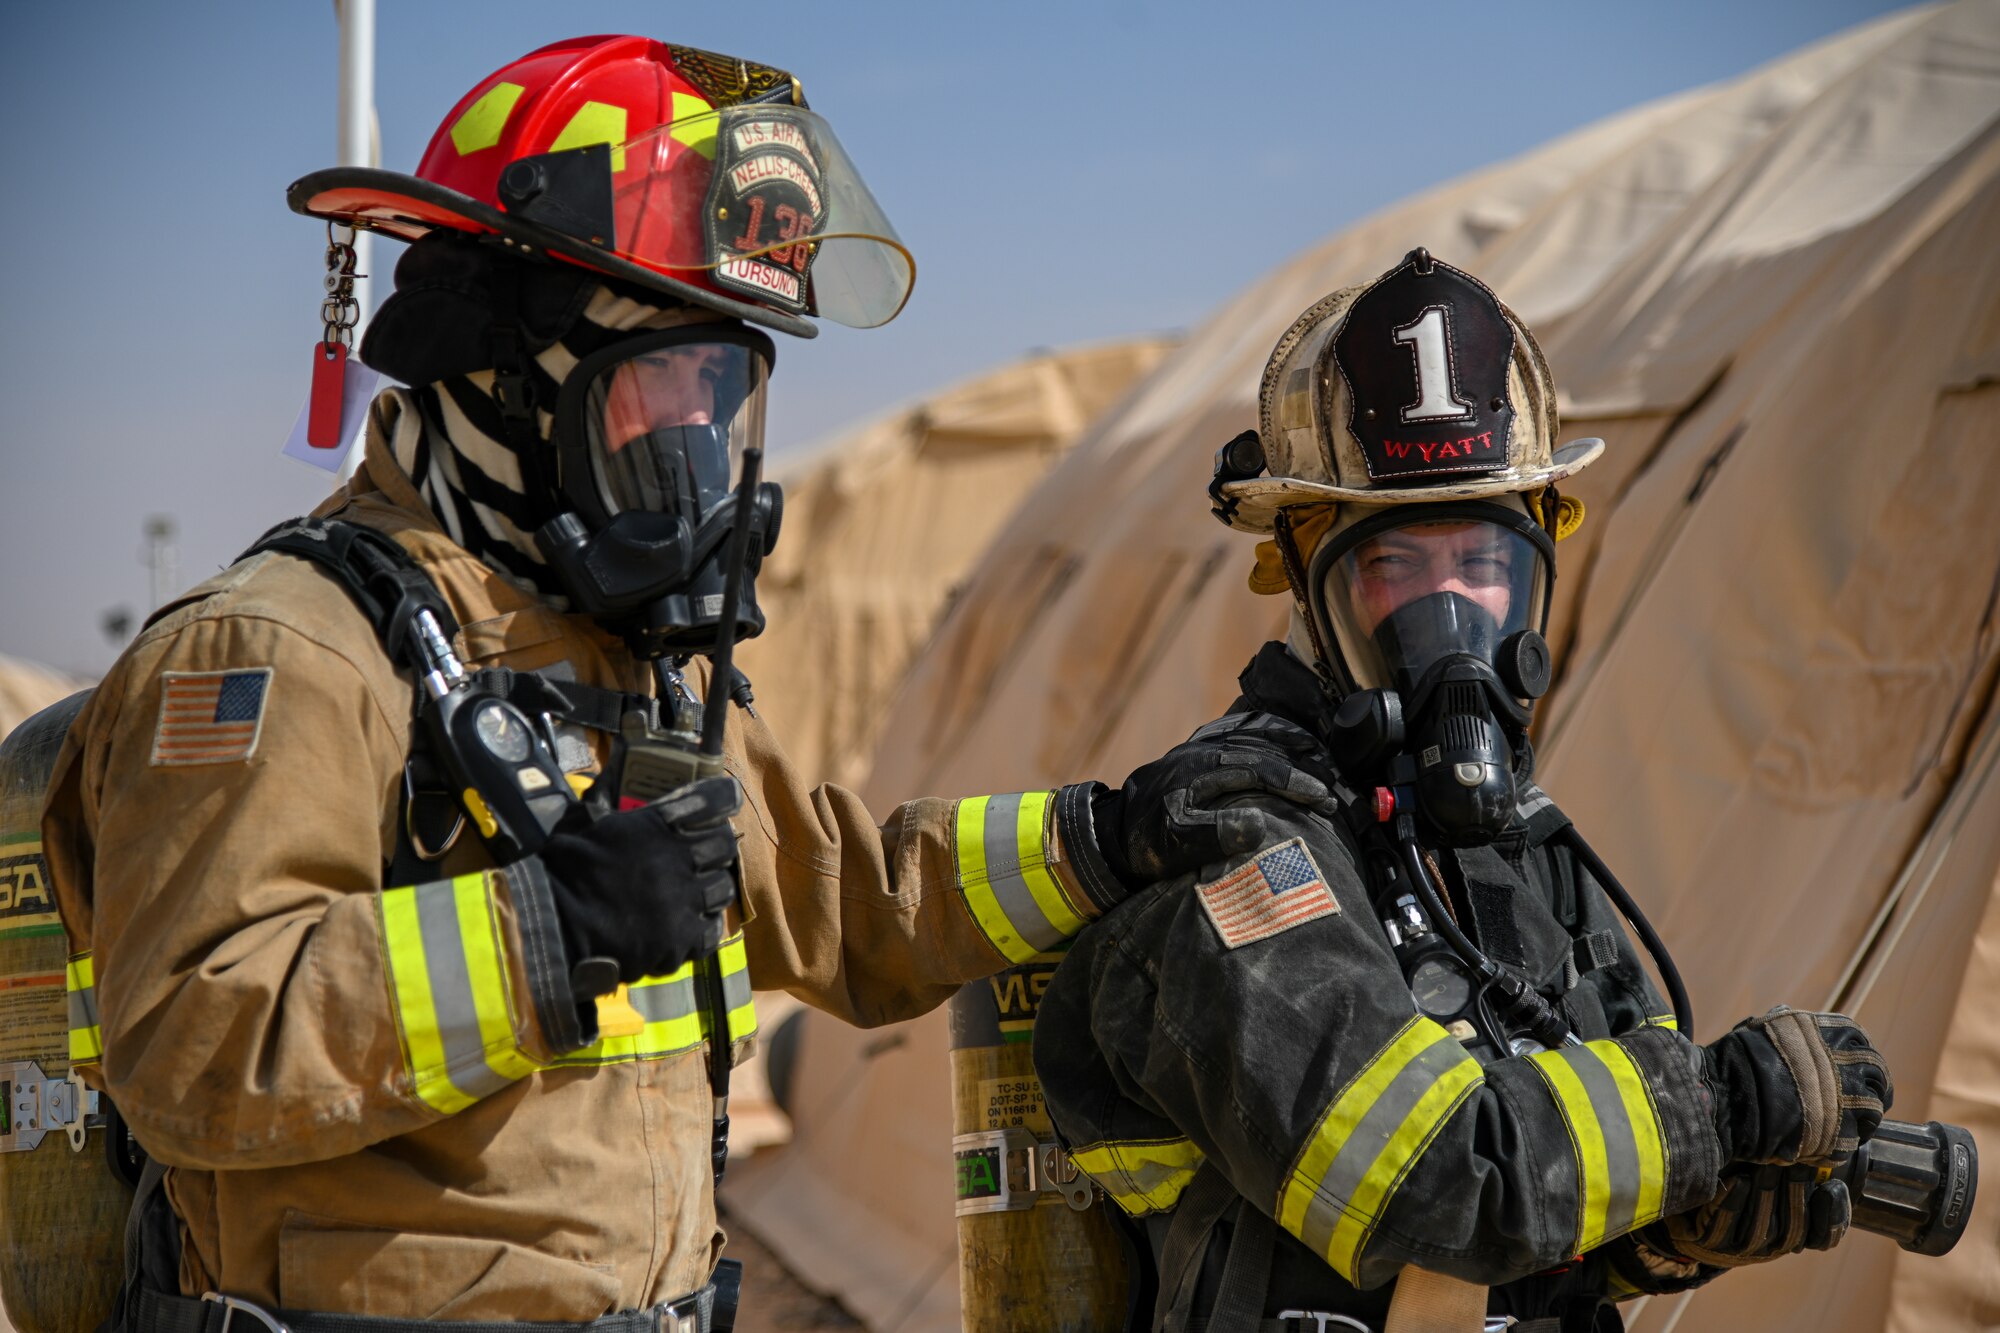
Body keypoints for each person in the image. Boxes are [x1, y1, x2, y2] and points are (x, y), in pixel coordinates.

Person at [39, 36, 1200, 1333]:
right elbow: (189, 1041)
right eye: (659, 389)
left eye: (722, 394)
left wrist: (1113, 833)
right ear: (502, 378)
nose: (697, 452)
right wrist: (550, 932)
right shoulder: (284, 655)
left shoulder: (623, 673)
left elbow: (849, 905)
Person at [1031, 250, 1894, 1333]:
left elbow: (1547, 1228)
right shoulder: (1234, 852)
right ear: (1305, 581)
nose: (1449, 614)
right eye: (1394, 567)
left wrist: (1682, 1223)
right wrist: (1713, 1108)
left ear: (1531, 575)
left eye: (1481, 565)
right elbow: (1437, 1189)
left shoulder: (1521, 855)